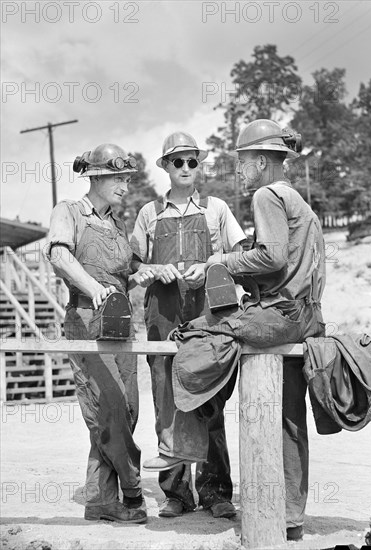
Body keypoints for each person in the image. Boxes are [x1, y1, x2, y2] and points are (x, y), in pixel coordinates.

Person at [143, 120, 326, 541]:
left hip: (279, 314)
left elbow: (274, 258)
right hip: (307, 317)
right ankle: (291, 518)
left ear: (261, 161)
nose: (239, 172)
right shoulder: (298, 200)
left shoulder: (267, 194)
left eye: (242, 162)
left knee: (194, 341)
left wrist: (218, 262)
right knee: (288, 419)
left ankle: (184, 448)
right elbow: (286, 258)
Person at [130, 132, 246, 519]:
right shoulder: (149, 213)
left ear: (199, 166)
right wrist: (149, 270)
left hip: (206, 313)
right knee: (166, 396)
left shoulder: (217, 209)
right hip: (162, 314)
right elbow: (131, 265)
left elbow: (240, 253)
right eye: (176, 161)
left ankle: (215, 491)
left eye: (191, 161)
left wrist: (213, 263)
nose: (184, 168)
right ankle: (176, 493)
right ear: (164, 166)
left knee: (208, 397)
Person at [45, 143, 146, 524]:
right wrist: (93, 287)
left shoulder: (118, 223)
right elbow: (59, 255)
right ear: (97, 176)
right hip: (86, 321)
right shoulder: (69, 211)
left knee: (127, 408)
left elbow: (127, 269)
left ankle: (102, 499)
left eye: (127, 178)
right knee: (107, 407)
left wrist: (145, 273)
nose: (125, 184)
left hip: (122, 326)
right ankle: (131, 488)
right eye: (118, 177)